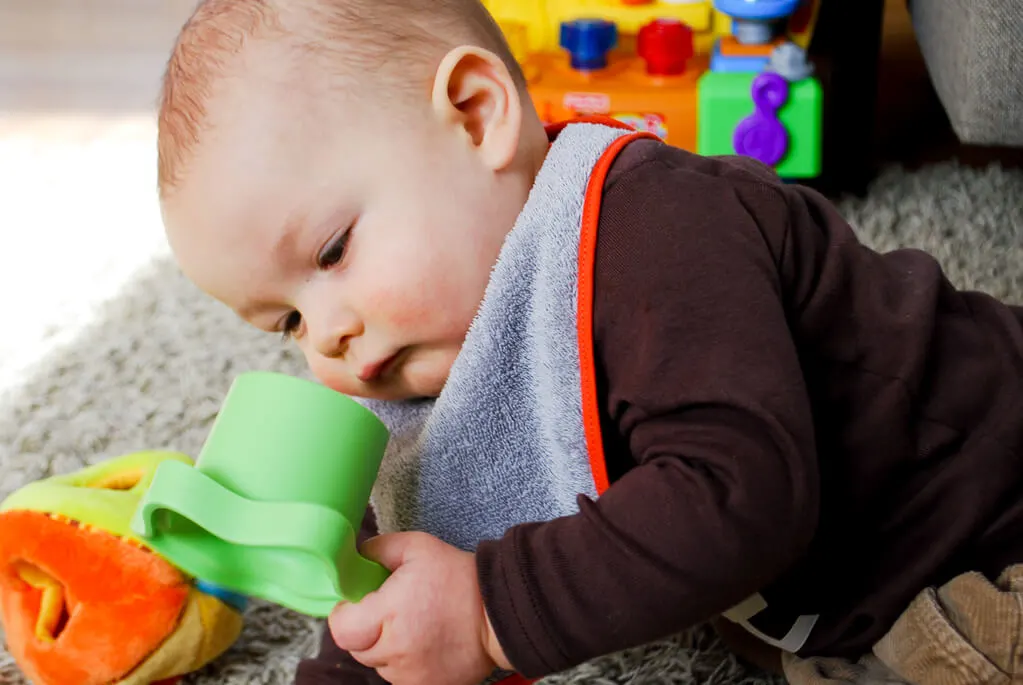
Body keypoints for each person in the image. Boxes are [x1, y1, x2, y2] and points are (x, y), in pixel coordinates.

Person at [156, 1, 1023, 684]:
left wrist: (490, 612)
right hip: (842, 591)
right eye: (288, 323)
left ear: (473, 115)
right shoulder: (434, 351)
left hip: (986, 517)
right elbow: (405, 570)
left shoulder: (662, 230)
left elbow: (740, 489)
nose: (330, 337)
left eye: (334, 252)